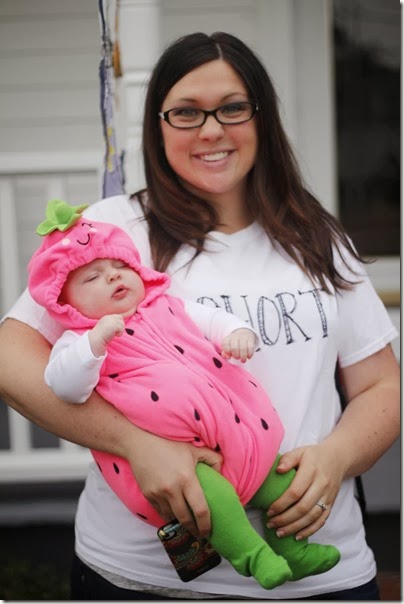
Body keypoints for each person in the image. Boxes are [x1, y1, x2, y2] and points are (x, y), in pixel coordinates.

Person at [0, 31, 399, 600]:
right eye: (186, 112)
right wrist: (136, 444)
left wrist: (336, 458)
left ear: (263, 117)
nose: (211, 130)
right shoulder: (113, 232)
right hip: (147, 580)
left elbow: (381, 385)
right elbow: (11, 362)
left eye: (233, 108)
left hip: (327, 576)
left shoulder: (318, 237)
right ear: (157, 125)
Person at [27, 199, 340, 590]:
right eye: (92, 277)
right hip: (178, 462)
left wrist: (235, 333)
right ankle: (253, 556)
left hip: (234, 433)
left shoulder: (167, 306)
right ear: (64, 302)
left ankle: (294, 551)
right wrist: (94, 344)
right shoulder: (76, 341)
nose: (113, 276)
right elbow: (64, 387)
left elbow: (210, 319)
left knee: (282, 482)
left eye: (121, 266)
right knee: (211, 500)